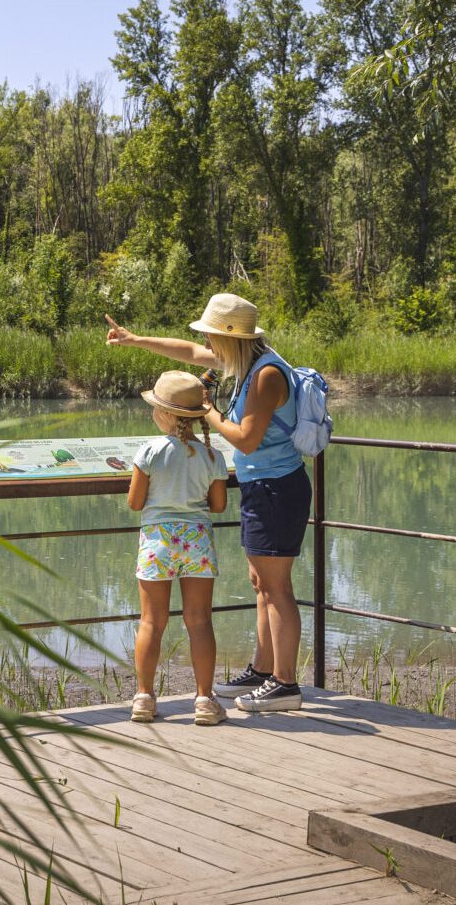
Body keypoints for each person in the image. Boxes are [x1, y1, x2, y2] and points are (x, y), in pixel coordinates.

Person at [106, 293, 310, 712]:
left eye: (211, 338)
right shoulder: (245, 362)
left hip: (277, 487)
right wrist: (135, 339)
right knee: (261, 584)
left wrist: (207, 412)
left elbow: (246, 439)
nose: (207, 348)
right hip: (261, 486)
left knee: (276, 587)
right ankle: (262, 669)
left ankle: (285, 683)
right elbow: (185, 351)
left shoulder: (266, 374)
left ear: (228, 337)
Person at [125, 370, 230, 726]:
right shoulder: (212, 456)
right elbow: (218, 506)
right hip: (197, 539)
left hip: (157, 541)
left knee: (151, 622)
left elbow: (135, 503)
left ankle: (144, 698)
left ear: (166, 415)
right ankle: (203, 700)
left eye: (155, 407)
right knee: (199, 621)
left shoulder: (149, 451)